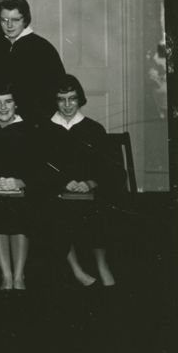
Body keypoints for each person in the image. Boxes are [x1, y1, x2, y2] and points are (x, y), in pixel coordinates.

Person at [42, 75, 122, 288]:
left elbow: (109, 168)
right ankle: (77, 270)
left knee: (102, 211)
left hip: (90, 190)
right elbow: (41, 166)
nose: (67, 105)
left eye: (72, 98)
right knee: (52, 211)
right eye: (61, 99)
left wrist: (90, 183)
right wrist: (62, 183)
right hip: (58, 192)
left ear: (80, 99)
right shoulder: (45, 130)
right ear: (54, 100)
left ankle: (102, 265)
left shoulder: (93, 129)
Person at [0, 82, 43, 292]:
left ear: (17, 104)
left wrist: (22, 181)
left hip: (23, 190)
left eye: (8, 101)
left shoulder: (30, 129)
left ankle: (19, 274)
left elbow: (40, 165)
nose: (3, 107)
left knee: (20, 210)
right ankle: (6, 273)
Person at [0, 0, 66, 125]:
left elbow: (55, 89)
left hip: (33, 121)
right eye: (4, 20)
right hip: (0, 120)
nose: (9, 25)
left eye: (15, 20)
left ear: (25, 20)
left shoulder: (42, 48)